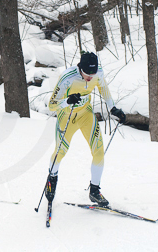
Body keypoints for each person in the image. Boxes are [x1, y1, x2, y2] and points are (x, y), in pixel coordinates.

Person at [46, 52, 126, 206]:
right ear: (79, 68)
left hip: (85, 115)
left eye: (93, 73)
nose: (90, 77)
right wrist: (67, 101)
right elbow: (51, 105)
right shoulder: (67, 77)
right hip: (67, 117)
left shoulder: (98, 73)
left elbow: (103, 88)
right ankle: (51, 180)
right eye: (86, 74)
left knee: (99, 152)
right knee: (60, 152)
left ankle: (94, 191)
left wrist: (113, 108)